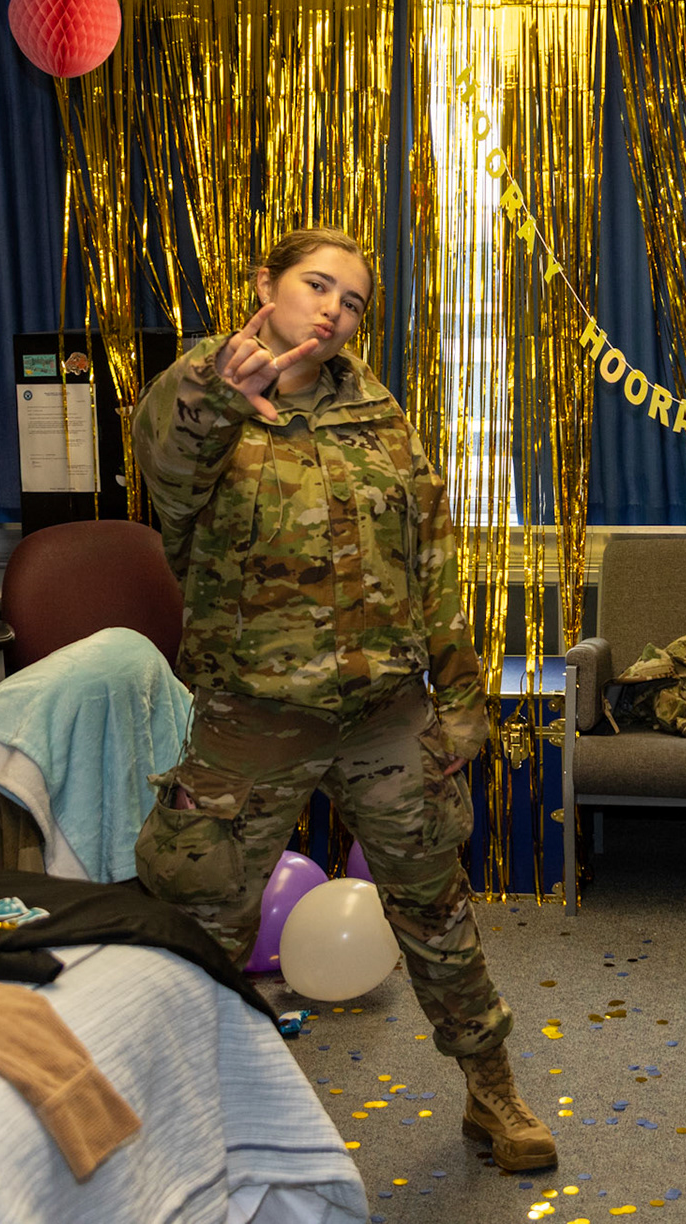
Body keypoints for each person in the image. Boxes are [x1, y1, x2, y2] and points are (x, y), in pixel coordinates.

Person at [130, 227, 555, 1174]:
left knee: (436, 906)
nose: (332, 309)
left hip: (384, 712)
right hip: (254, 716)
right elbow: (167, 469)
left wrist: (461, 697)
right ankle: (175, 1103)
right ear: (265, 284)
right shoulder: (202, 397)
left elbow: (432, 557)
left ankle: (491, 1088)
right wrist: (216, 392)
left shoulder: (377, 411)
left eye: (352, 299)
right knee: (202, 914)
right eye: (316, 285)